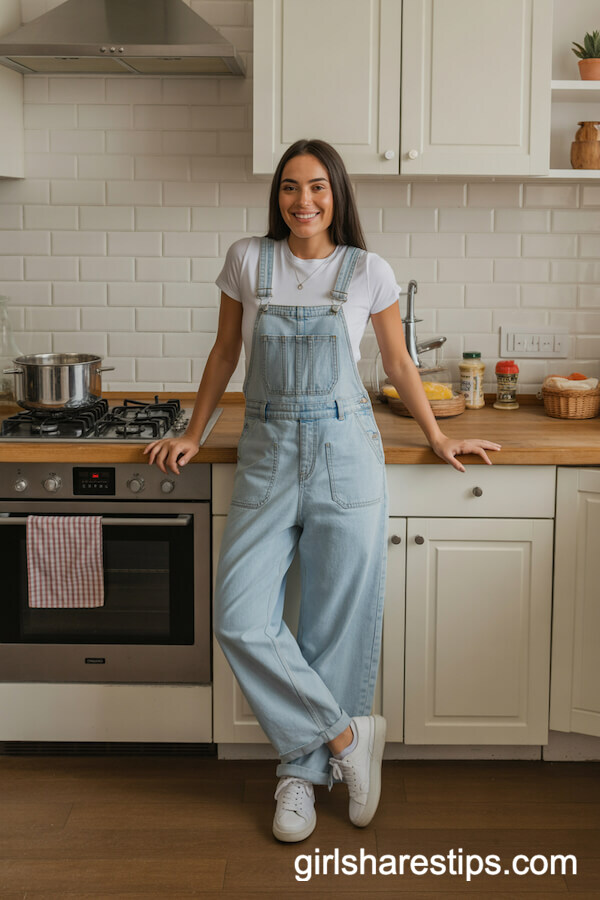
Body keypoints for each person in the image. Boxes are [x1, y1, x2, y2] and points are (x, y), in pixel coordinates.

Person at [144, 138, 501, 843]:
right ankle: (344, 738)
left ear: (337, 193)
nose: (301, 201)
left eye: (315, 187)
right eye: (288, 188)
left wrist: (437, 436)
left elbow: (397, 360)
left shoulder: (368, 270)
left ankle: (299, 780)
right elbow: (224, 353)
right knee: (240, 616)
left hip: (346, 454)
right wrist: (194, 429)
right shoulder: (249, 260)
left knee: (334, 623)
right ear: (275, 196)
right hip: (268, 453)